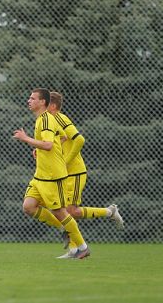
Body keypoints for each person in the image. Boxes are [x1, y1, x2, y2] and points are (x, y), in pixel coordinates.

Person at [13, 88, 90, 259]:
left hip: (52, 175)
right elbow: (61, 136)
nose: (29, 101)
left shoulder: (46, 120)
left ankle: (82, 247)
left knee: (60, 212)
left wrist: (27, 139)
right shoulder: (44, 119)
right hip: (40, 175)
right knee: (28, 207)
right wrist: (38, 148)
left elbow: (48, 145)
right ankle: (64, 228)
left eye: (32, 98)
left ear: (43, 102)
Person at [48, 91, 123, 253]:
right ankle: (75, 249)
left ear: (52, 106)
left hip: (74, 172)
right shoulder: (50, 121)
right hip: (63, 173)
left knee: (70, 211)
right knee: (64, 211)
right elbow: (62, 140)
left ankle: (109, 212)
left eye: (45, 103)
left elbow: (79, 139)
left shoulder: (61, 118)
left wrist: (66, 162)